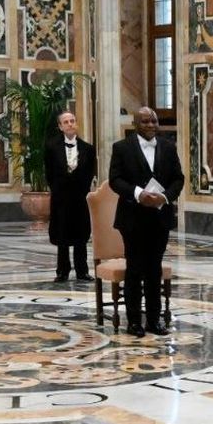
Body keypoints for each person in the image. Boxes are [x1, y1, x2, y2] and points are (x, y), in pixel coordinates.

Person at [108, 107, 184, 338]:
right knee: (135, 269)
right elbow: (115, 180)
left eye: (154, 121)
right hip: (132, 218)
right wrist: (138, 193)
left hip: (160, 218)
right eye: (145, 121)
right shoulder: (122, 148)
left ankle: (153, 320)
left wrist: (165, 197)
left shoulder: (168, 147)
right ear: (135, 124)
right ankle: (133, 322)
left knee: (154, 269)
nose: (151, 125)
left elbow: (178, 179)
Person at [44, 110, 95, 282]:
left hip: (80, 198)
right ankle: (62, 271)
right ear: (60, 126)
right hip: (61, 198)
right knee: (62, 234)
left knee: (81, 234)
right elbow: (49, 173)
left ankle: (82, 271)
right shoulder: (51, 147)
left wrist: (82, 190)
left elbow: (90, 173)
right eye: (66, 122)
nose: (70, 124)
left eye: (72, 120)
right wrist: (58, 190)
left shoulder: (88, 149)